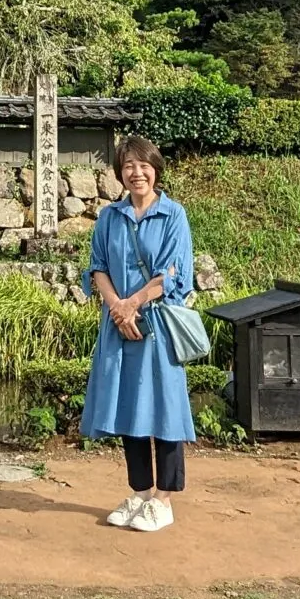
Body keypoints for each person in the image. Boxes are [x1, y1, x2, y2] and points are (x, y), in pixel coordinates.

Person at [81, 134, 195, 533]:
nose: (136, 172)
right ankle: (141, 493)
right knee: (129, 405)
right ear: (119, 173)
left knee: (162, 407)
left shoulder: (173, 215)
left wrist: (133, 304)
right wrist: (117, 306)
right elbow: (97, 267)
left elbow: (173, 273)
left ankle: (164, 499)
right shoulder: (110, 217)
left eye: (143, 165)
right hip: (118, 325)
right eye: (128, 166)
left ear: (156, 169)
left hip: (157, 324)